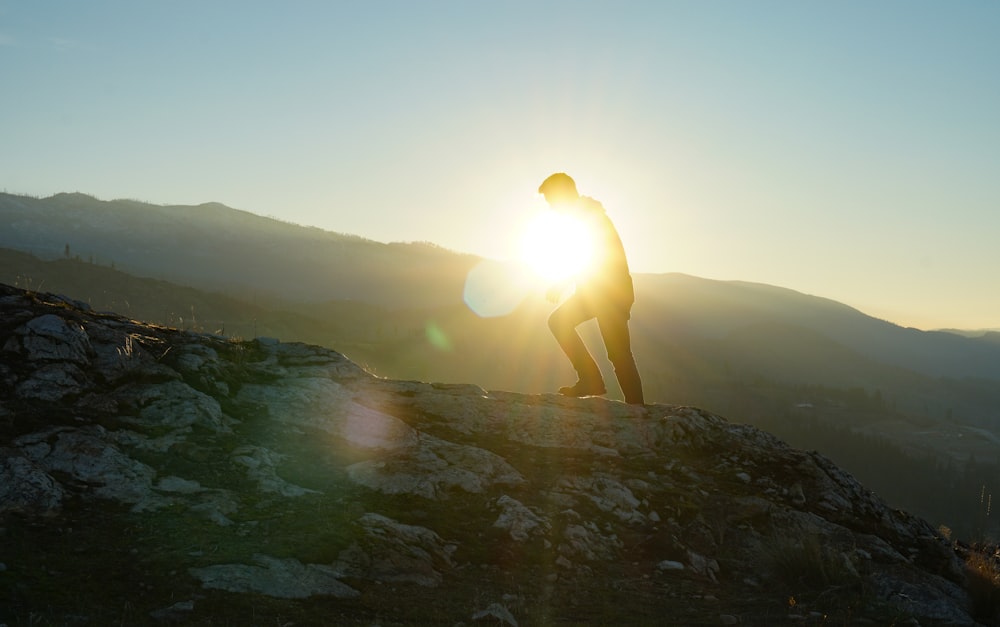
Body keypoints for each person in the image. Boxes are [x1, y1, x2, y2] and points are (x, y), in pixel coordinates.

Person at [538, 172, 644, 405]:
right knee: (560, 323)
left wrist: (562, 283)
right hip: (597, 293)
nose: (551, 207)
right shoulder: (584, 216)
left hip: (611, 294)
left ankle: (634, 407)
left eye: (552, 201)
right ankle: (592, 380)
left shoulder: (589, 218)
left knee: (618, 354)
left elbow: (595, 257)